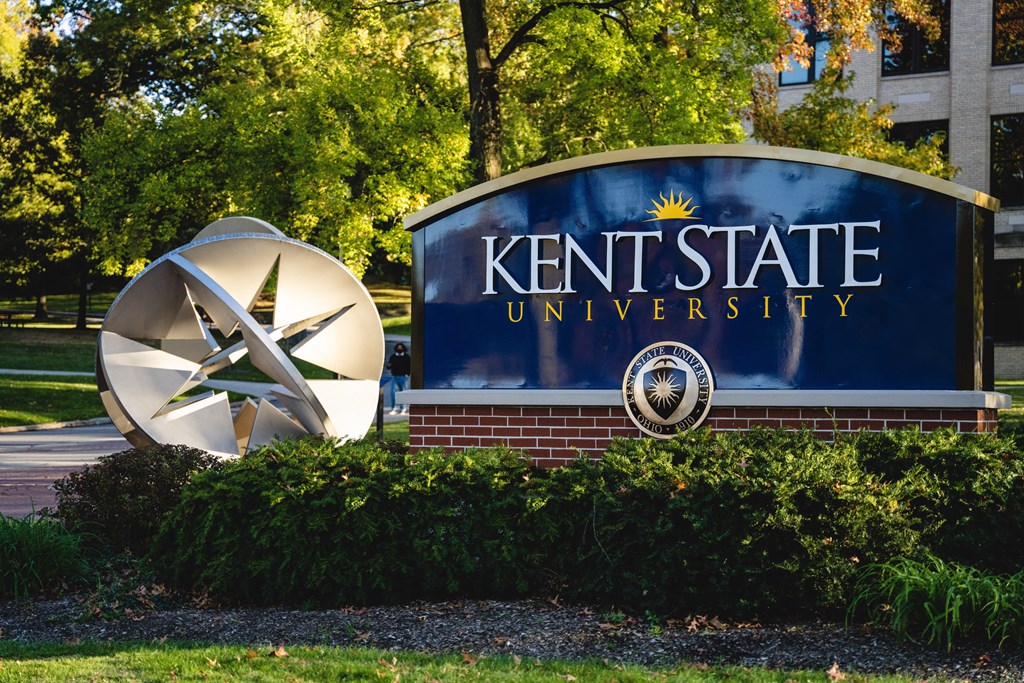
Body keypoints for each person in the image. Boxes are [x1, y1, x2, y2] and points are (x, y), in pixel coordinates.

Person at [386, 342, 411, 415]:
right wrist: (388, 365)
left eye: (401, 347)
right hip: (395, 376)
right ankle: (394, 408)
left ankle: (403, 408)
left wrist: (407, 374)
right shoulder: (393, 356)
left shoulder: (407, 357)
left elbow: (410, 366)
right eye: (398, 347)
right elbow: (389, 366)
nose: (399, 349)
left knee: (403, 393)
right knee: (393, 392)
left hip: (404, 377)